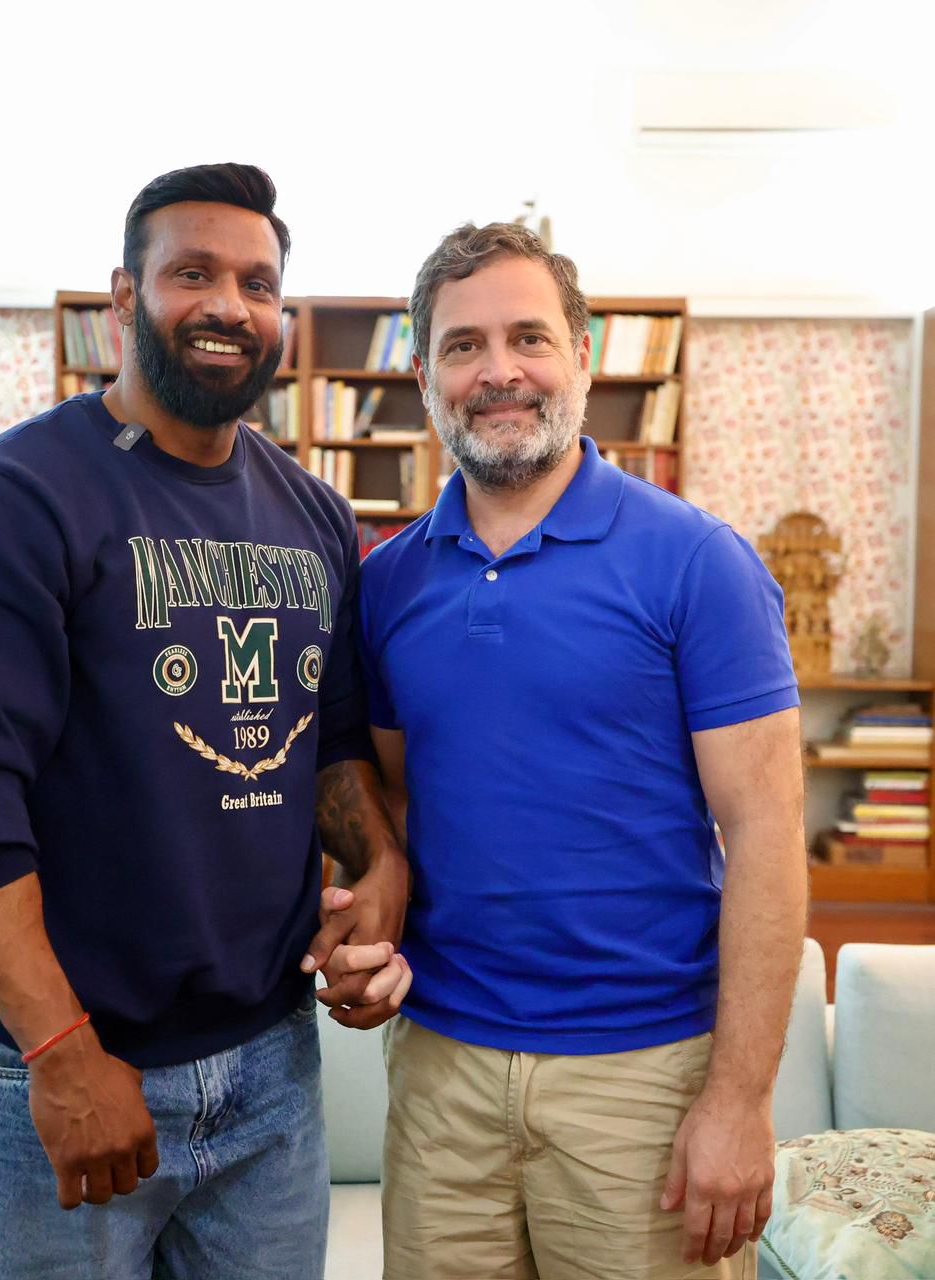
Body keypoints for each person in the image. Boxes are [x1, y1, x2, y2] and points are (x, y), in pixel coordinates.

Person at [0, 163, 410, 1280]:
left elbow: (332, 738)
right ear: (124, 297)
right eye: (192, 273)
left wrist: (379, 872)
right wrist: (61, 1051)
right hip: (63, 1067)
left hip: (273, 1074)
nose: (229, 305)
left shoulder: (315, 514)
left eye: (257, 283)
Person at [357, 222, 807, 1280]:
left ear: (583, 357)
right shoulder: (385, 584)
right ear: (421, 375)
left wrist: (739, 1101)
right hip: (441, 1077)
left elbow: (765, 833)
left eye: (528, 337)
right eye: (463, 346)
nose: (498, 371)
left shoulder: (697, 563)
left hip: (644, 1078)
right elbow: (389, 804)